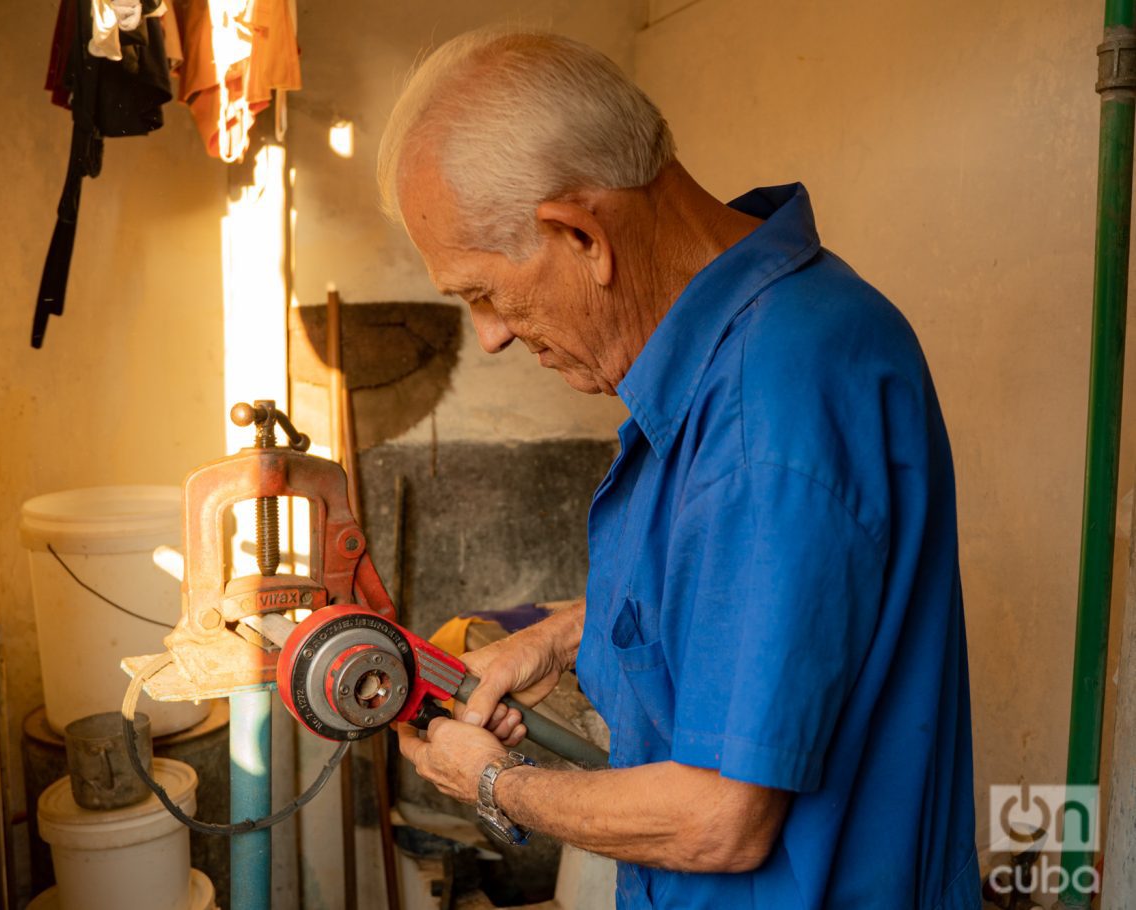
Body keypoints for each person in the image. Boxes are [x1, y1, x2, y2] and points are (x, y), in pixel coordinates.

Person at [378, 29, 979, 910]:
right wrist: (555, 637)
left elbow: (717, 818)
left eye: (482, 292)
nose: (492, 334)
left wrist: (494, 784)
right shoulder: (758, 344)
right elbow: (761, 602)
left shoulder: (770, 403)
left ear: (582, 234)